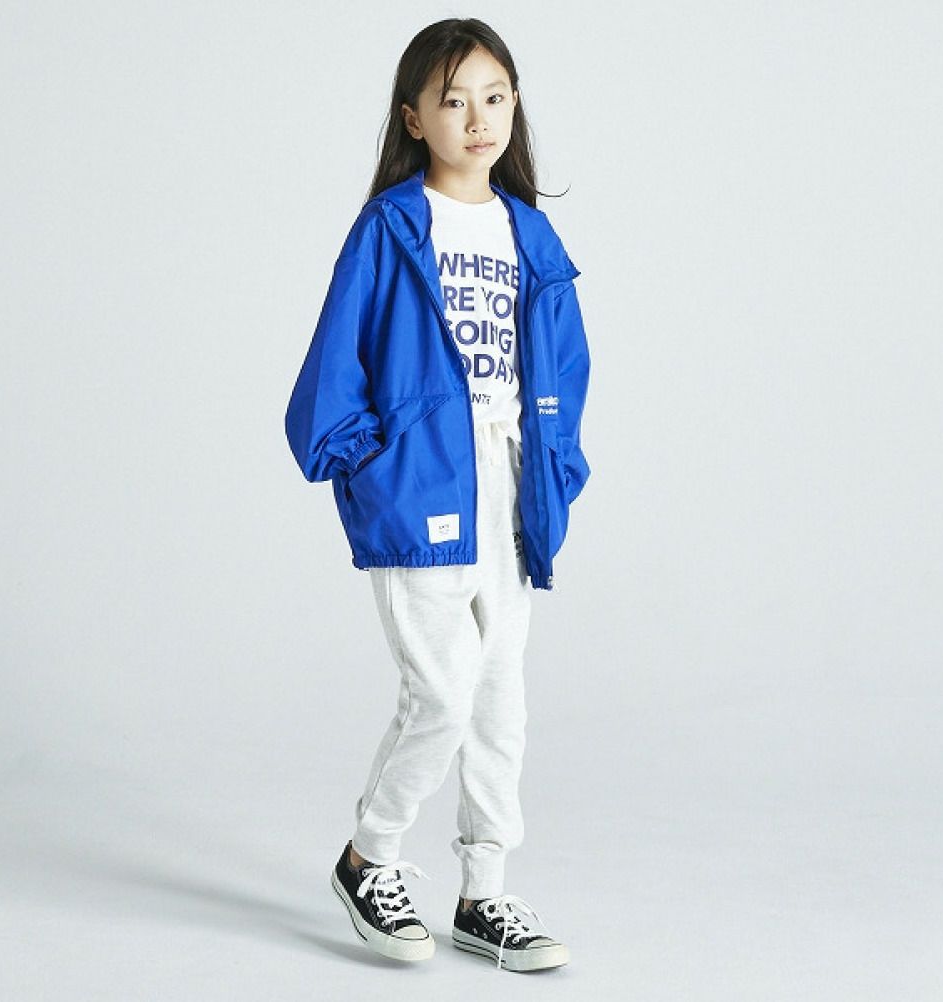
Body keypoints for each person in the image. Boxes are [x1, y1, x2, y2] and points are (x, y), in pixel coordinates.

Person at [284, 17, 591, 973]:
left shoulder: (530, 234)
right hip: (422, 485)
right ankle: (368, 856)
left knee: (500, 702)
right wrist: (373, 466)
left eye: (494, 97)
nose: (477, 118)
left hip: (508, 486)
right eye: (453, 101)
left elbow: (565, 369)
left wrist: (557, 469)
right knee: (444, 694)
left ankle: (483, 893)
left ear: (515, 107)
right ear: (414, 117)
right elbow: (333, 369)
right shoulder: (392, 226)